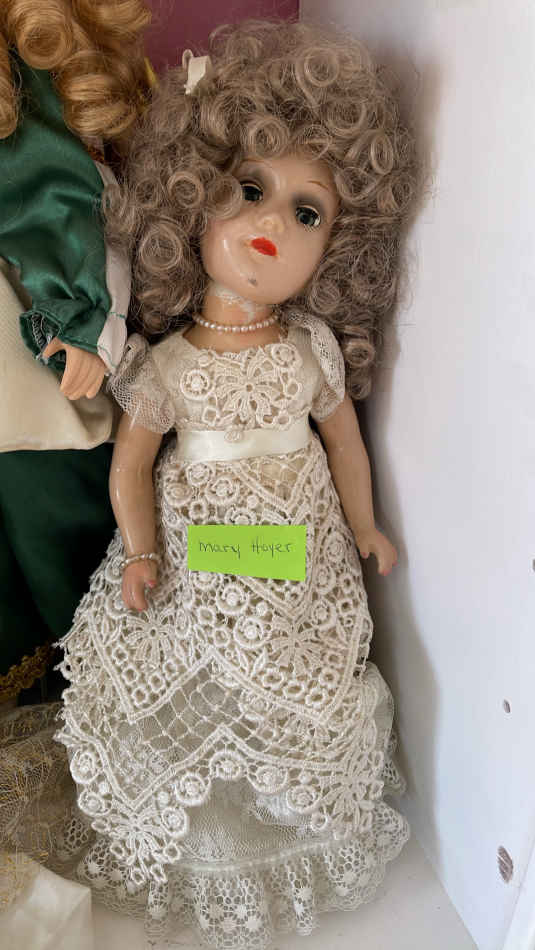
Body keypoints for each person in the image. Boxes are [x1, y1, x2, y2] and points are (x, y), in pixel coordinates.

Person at [55, 20, 419, 948]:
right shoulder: (168, 366)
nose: (272, 224)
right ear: (192, 200)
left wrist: (366, 525)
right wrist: (142, 552)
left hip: (302, 554)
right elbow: (132, 466)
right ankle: (202, 819)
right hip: (199, 552)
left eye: (308, 213)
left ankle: (289, 804)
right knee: (205, 656)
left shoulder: (310, 350)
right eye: (250, 190)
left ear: (337, 250)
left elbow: (344, 447)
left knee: (300, 674)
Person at [0, 0, 152, 705]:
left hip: (35, 358)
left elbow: (85, 216)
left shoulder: (41, 109)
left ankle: (97, 677)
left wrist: (89, 327)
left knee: (52, 512)